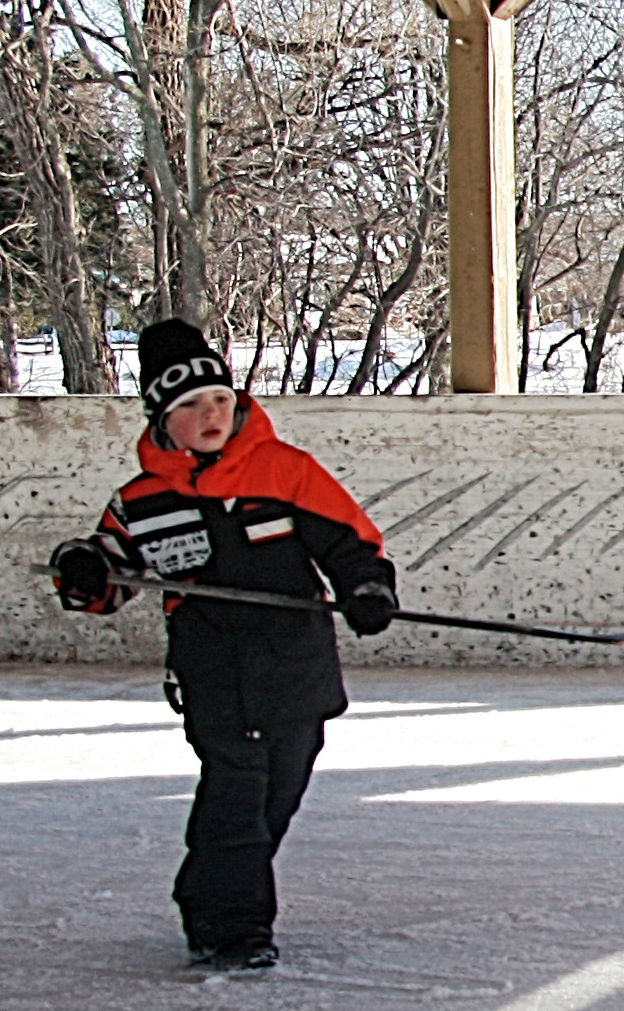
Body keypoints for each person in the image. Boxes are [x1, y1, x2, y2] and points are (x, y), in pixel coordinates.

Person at [47, 320, 398, 973]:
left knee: (278, 792)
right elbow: (107, 579)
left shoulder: (286, 471)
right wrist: (83, 570)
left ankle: (208, 893)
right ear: (161, 420)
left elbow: (351, 544)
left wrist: (369, 589)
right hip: (211, 671)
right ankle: (235, 924)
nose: (210, 415)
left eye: (218, 400)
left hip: (293, 664)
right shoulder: (141, 502)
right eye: (188, 407)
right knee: (237, 786)